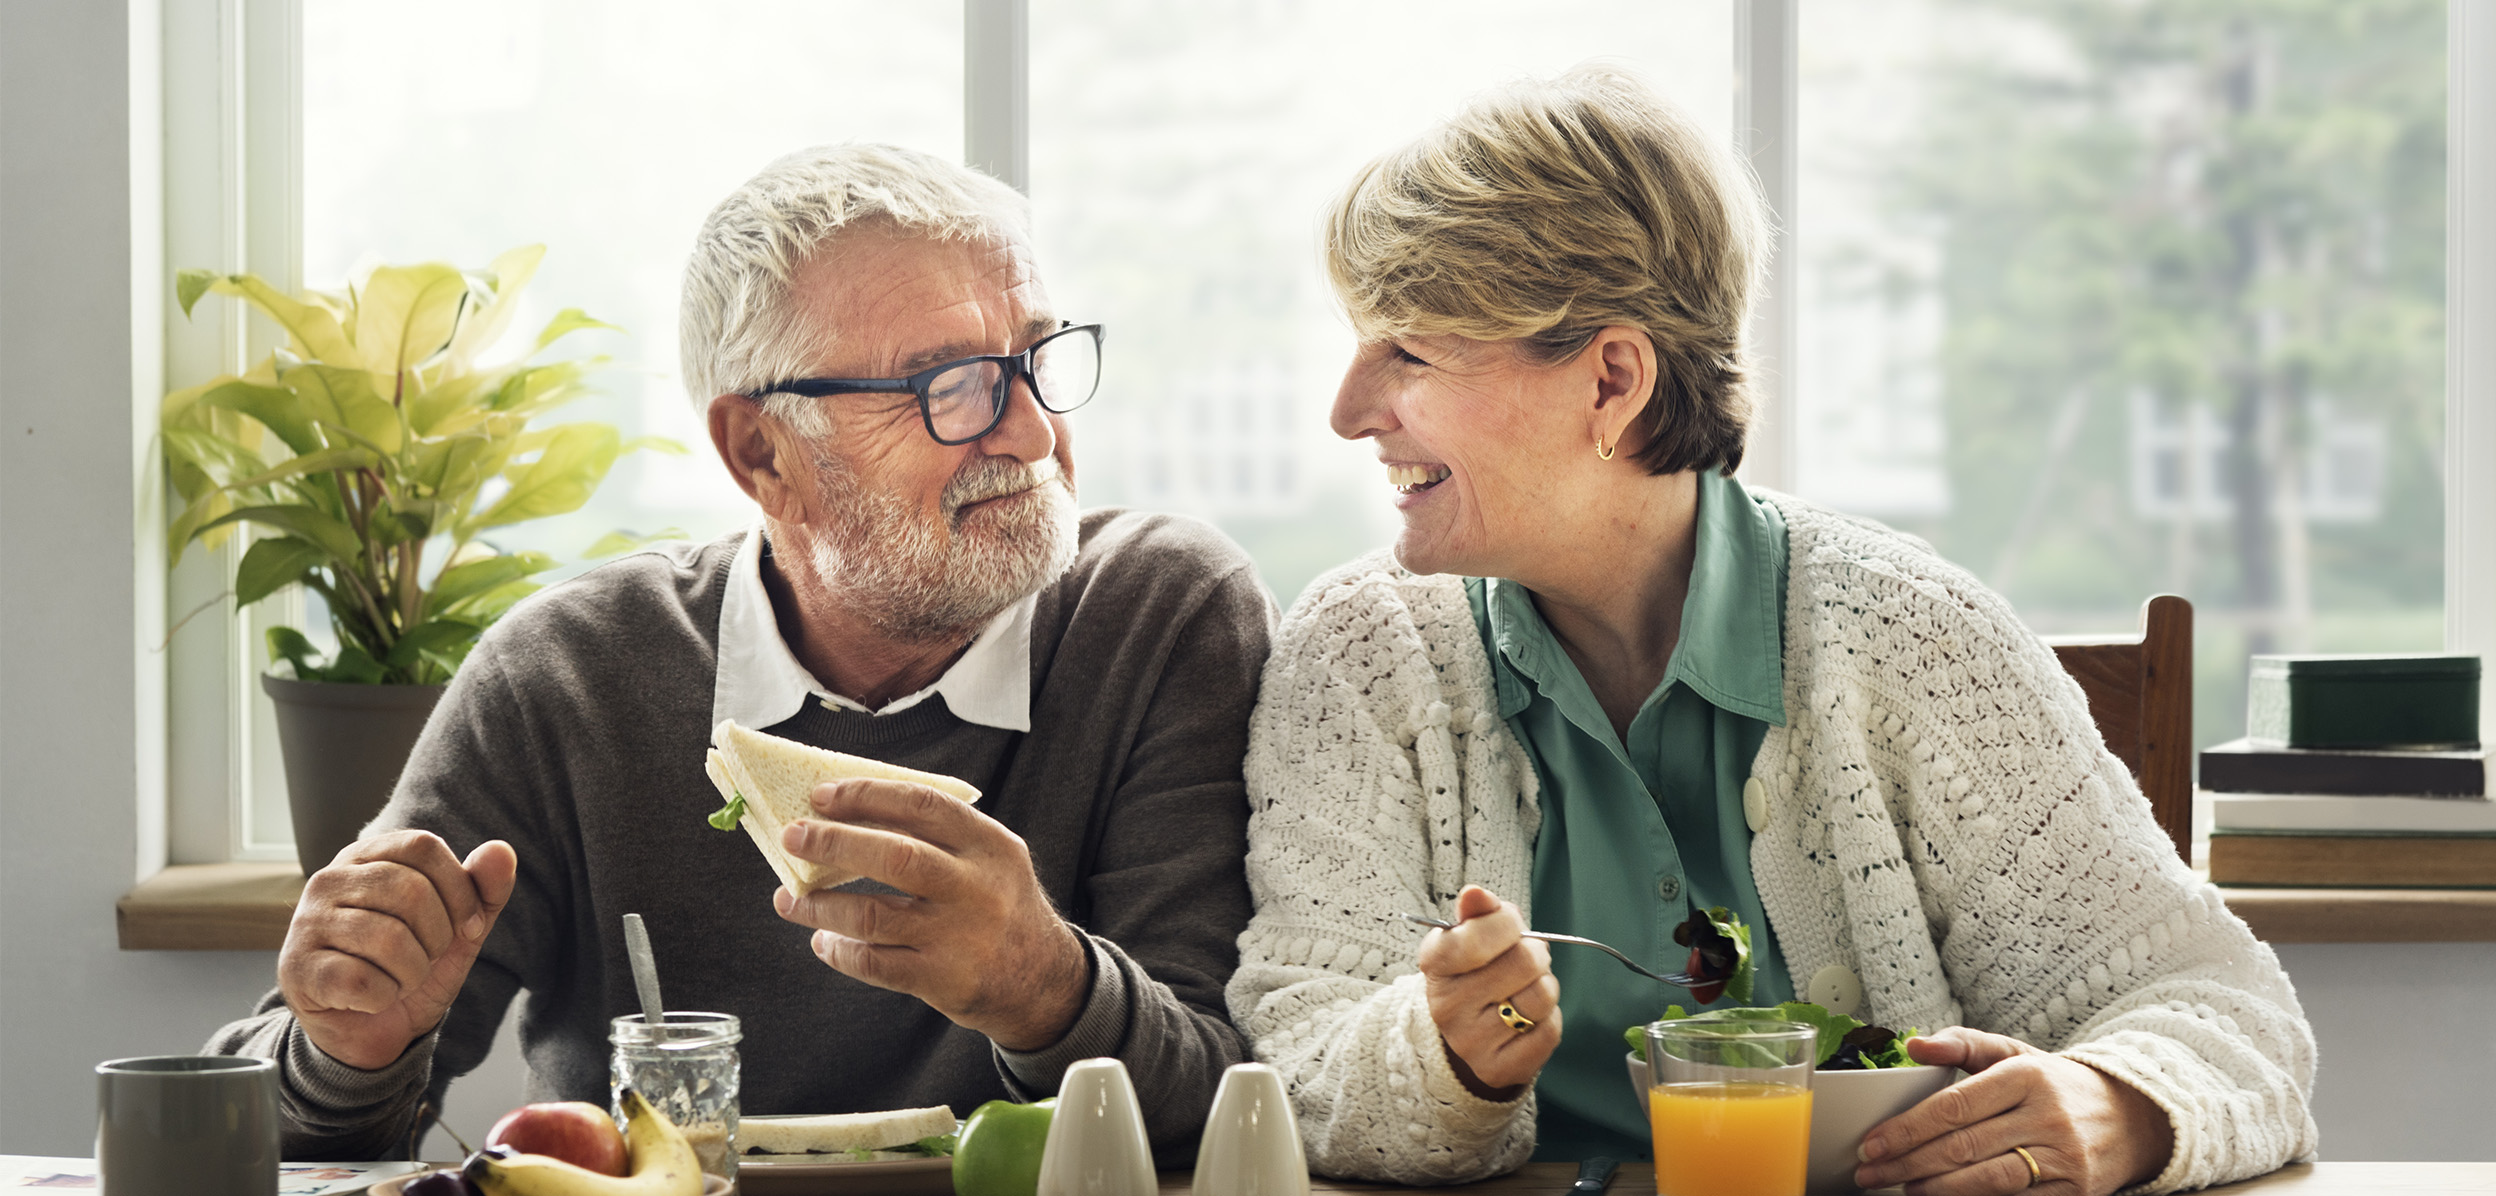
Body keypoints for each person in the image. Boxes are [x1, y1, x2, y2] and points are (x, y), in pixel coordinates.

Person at [1229, 66, 2315, 1193]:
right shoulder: (1362, 652)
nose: (1350, 409)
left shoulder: (1916, 637)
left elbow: (2221, 1011)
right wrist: (1447, 1056)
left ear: (1610, 378)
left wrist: (2119, 1104)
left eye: (1408, 350)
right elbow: (1294, 1052)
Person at [208, 143, 1272, 1162]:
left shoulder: (1160, 615)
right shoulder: (569, 674)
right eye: (950, 385)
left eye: (1036, 359)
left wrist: (1042, 984)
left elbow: (1237, 1115)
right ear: (760, 450)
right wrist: (348, 1045)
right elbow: (274, 1141)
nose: (1034, 435)